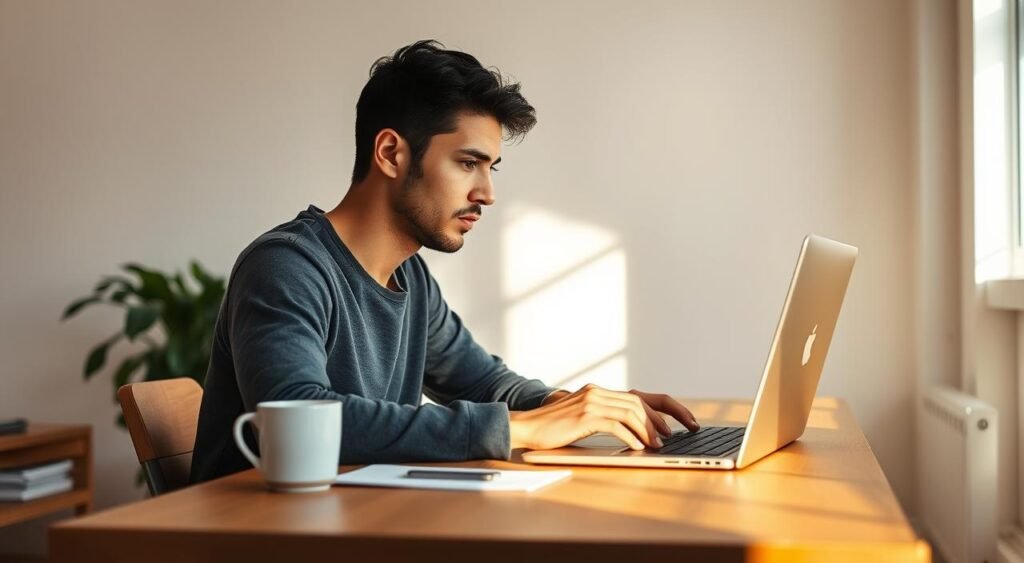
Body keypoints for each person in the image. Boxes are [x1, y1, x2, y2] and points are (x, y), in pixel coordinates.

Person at [190, 40, 700, 483]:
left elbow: (484, 383)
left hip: (352, 529)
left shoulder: (410, 276)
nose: (488, 193)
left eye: (491, 167)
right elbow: (299, 413)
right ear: (391, 153)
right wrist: (519, 428)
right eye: (467, 163)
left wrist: (583, 408)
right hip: (260, 537)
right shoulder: (286, 267)